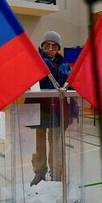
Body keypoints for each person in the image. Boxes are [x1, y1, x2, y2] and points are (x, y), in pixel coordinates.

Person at [30, 31, 71, 186]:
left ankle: (57, 175)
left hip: (57, 109)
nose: (50, 48)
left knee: (57, 143)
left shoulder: (64, 65)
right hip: (37, 107)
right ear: (42, 46)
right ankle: (39, 173)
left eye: (54, 45)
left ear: (58, 48)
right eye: (47, 45)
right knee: (38, 143)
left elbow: (70, 83)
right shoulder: (35, 61)